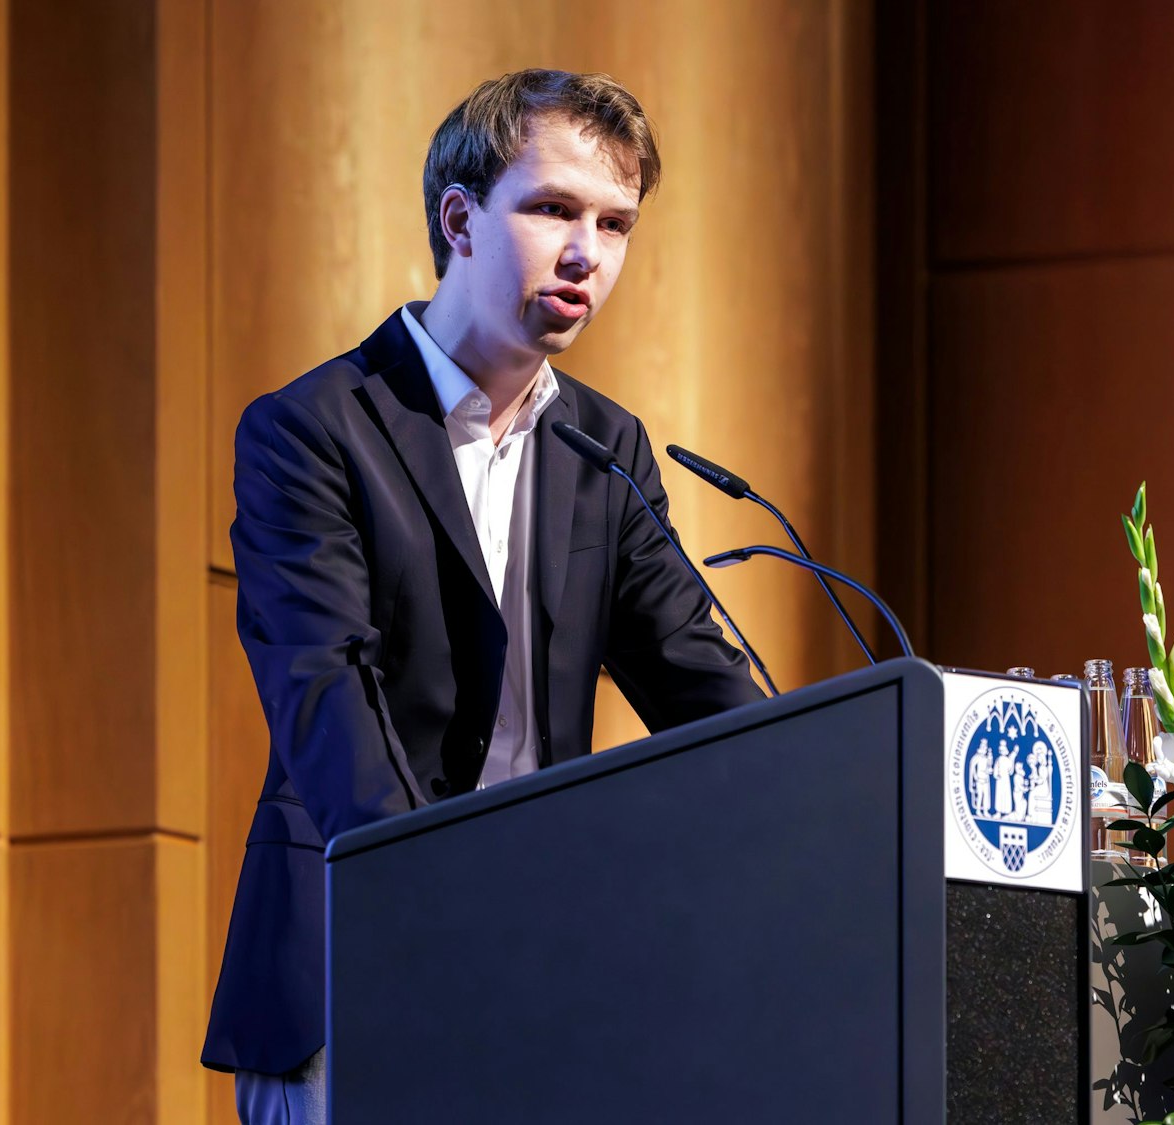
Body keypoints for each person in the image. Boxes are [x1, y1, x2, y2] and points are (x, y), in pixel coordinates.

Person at [202, 70, 763, 1124]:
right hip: (350, 971)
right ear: (458, 218)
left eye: (614, 223)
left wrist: (827, 791)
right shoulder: (312, 430)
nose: (586, 254)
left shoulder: (606, 447)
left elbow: (699, 684)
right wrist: (452, 910)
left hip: (543, 980)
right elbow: (326, 703)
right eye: (552, 209)